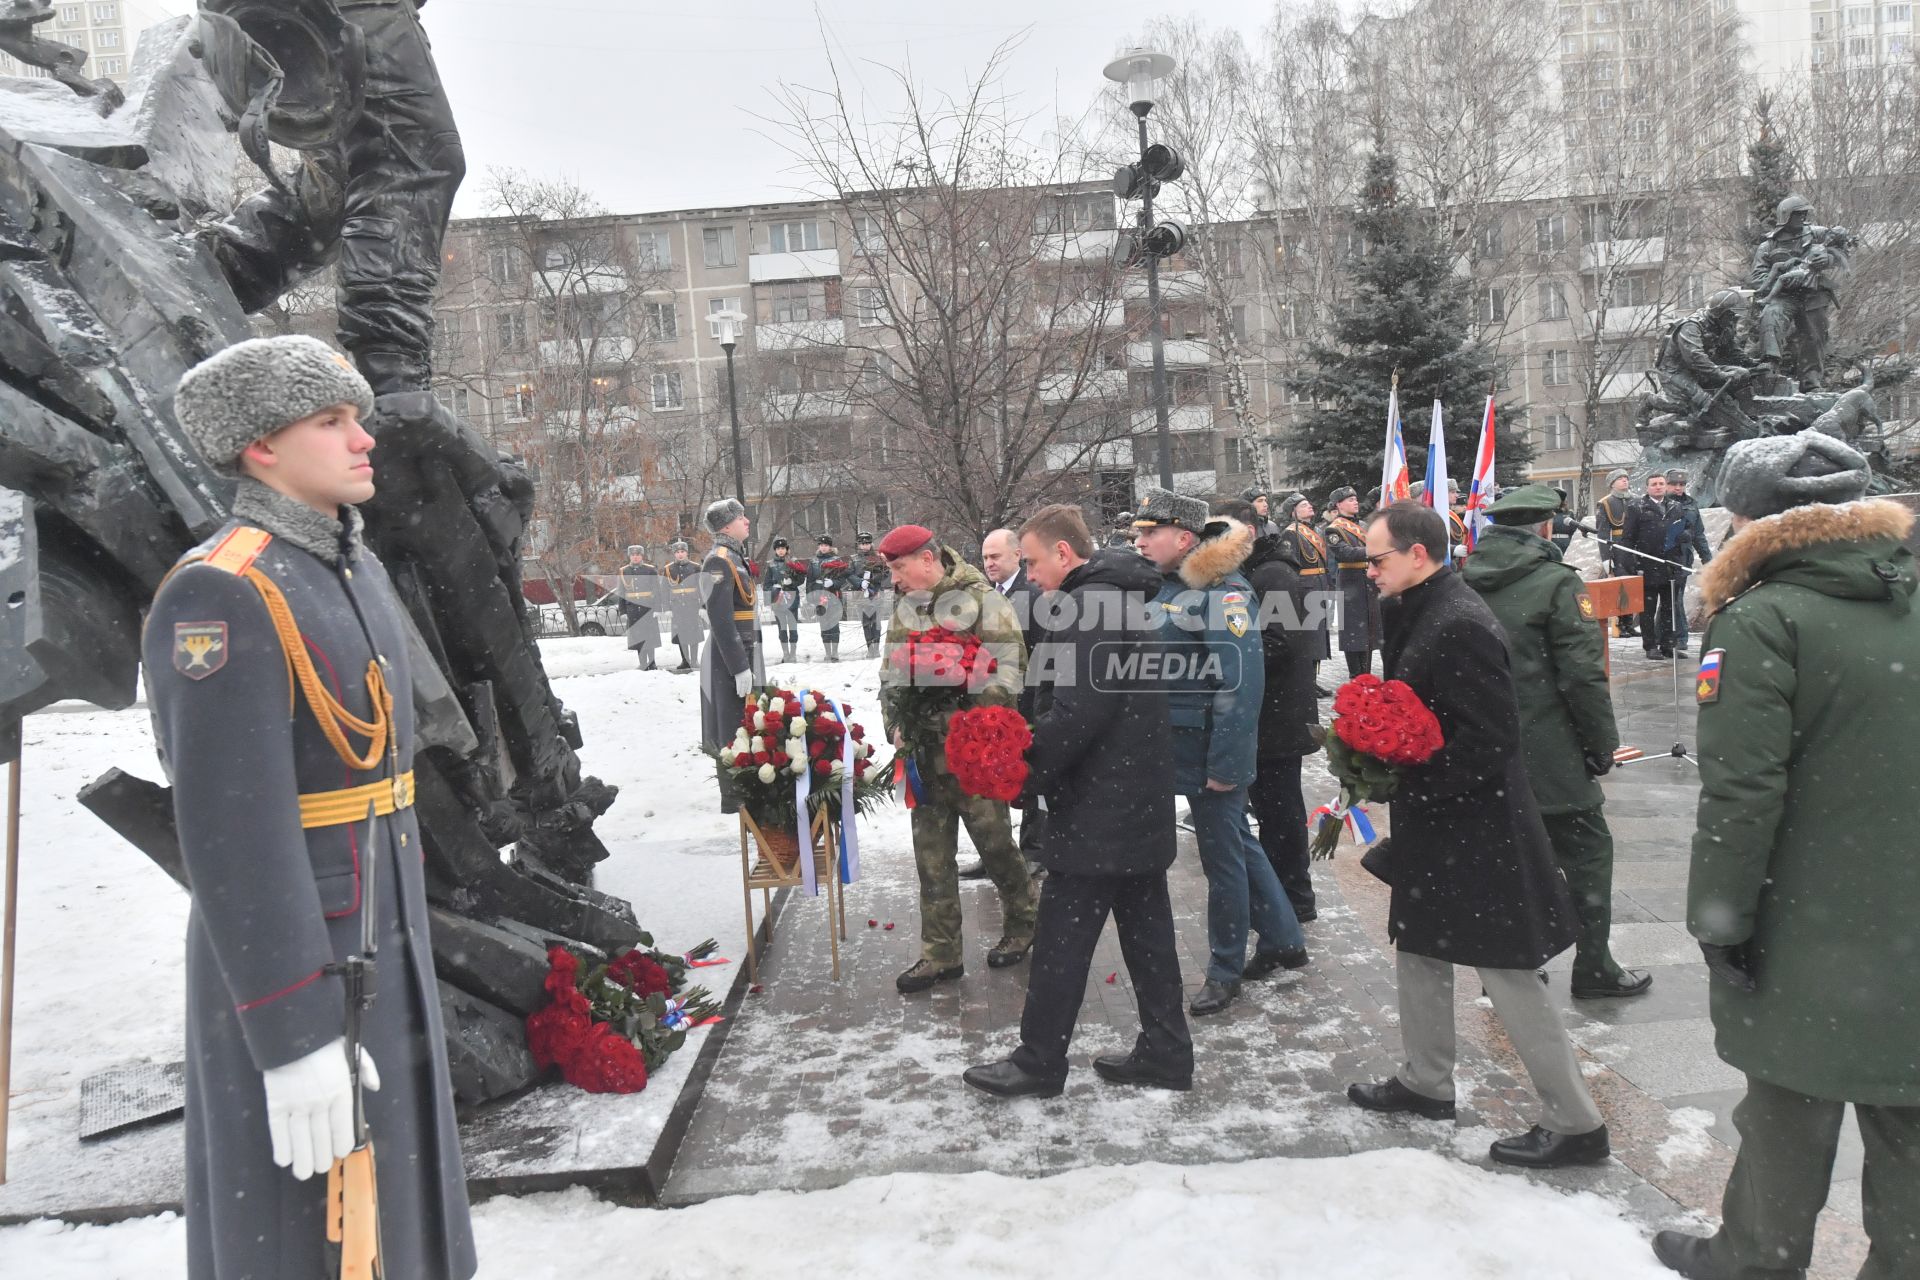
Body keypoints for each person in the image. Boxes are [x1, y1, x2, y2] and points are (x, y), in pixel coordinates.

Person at [147, 336, 475, 1280]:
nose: (363, 439)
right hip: (298, 956)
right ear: (261, 447)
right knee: (306, 1235)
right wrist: (291, 1037)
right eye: (331, 422)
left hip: (381, 934)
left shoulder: (346, 562)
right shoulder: (223, 589)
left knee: (398, 1215)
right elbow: (231, 830)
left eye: (357, 417)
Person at [1649, 431, 1919, 1279]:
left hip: (1812, 923)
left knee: (1789, 1104)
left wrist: (1719, 919)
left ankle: (1755, 1259)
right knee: (1910, 1117)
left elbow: (1742, 793)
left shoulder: (1761, 618)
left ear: (1750, 518)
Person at [1346, 501, 1608, 1170]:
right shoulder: (1420, 607)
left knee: (1511, 972)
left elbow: (1491, 741)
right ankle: (1426, 1081)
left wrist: (1408, 779)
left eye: (1376, 558)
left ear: (1417, 554)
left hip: (1480, 828)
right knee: (1420, 950)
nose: (1367, 570)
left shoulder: (1459, 622)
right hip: (1441, 824)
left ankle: (1576, 1123)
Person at [962, 505, 1192, 1098]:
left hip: (1099, 809)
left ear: (1064, 554)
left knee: (1061, 941)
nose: (1031, 574)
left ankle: (1039, 1062)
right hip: (1133, 800)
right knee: (1148, 937)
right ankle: (1166, 1051)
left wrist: (1023, 768)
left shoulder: (1090, 608)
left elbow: (1077, 713)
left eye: (1034, 561)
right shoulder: (1117, 597)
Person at [1463, 485, 1650, 1001]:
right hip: (1550, 754)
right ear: (1546, 528)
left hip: (1485, 755)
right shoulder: (1557, 585)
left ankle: (1511, 968)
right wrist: (1601, 745)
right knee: (1588, 852)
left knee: (1506, 856)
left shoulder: (1463, 583)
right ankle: (1594, 966)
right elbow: (1582, 677)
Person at [1134, 489, 1308, 1017]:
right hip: (1182, 747)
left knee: (1223, 861)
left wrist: (1228, 766)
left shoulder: (1225, 594)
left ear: (1183, 538)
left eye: (1149, 532)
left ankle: (1225, 968)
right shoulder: (1174, 586)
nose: (1139, 541)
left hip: (1211, 753)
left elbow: (1240, 685)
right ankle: (1284, 938)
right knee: (1235, 843)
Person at [876, 524, 1037, 993]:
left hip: (973, 751)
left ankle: (1024, 925)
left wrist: (975, 713)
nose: (895, 580)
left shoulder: (980, 599)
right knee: (931, 856)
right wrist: (895, 722)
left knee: (995, 844)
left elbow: (1012, 663)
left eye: (900, 568)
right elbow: (890, 671)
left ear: (928, 560)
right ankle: (940, 953)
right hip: (924, 754)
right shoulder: (906, 605)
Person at [1222, 499, 1321, 924]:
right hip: (1267, 715)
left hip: (1278, 718)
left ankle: (1297, 898)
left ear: (1248, 529)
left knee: (1281, 813)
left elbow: (1279, 643)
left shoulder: (1274, 574)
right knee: (1272, 809)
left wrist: (1226, 662)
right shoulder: (1259, 572)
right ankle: (1285, 894)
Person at [983, 526, 1046, 876]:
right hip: (995, 705)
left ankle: (1035, 850)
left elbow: (1041, 655)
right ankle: (999, 852)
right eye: (986, 558)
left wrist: (1034, 707)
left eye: (996, 556)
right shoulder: (986, 596)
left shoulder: (1033, 595)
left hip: (1027, 704)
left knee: (1032, 777)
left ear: (1016, 555)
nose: (990, 563)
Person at [699, 499, 763, 813]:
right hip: (730, 654)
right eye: (740, 517)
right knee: (731, 723)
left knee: (745, 719)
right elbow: (720, 619)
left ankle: (747, 786)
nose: (746, 521)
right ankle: (734, 795)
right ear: (726, 525)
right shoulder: (718, 561)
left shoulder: (735, 558)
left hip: (745, 646)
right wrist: (738, 666)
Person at [1321, 485, 1379, 680]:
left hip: (1369, 580)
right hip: (1350, 582)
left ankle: (1367, 675)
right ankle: (1356, 676)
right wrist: (1373, 551)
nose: (1355, 502)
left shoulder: (1363, 525)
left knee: (1369, 631)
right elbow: (1345, 553)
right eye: (1350, 500)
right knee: (1354, 633)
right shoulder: (1333, 529)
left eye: (1356, 499)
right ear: (1339, 504)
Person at [1279, 492, 1335, 696]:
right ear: (1293, 511)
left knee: (1320, 637)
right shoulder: (1290, 533)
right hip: (1306, 587)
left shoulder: (1315, 530)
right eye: (1303, 505)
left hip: (1319, 584)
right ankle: (1307, 682)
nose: (1310, 506)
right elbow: (1291, 564)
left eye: (1309, 503)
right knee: (1310, 637)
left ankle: (1314, 680)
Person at [1622, 472, 1682, 658]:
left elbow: (1681, 532)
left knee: (1669, 609)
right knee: (1647, 609)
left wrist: (1683, 538)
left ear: (1666, 486)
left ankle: (1668, 644)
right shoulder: (1637, 507)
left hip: (1670, 565)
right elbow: (1628, 538)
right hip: (1646, 565)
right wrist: (1632, 564)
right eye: (1654, 484)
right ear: (1647, 487)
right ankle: (1650, 646)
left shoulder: (1675, 507)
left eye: (1661, 483)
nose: (1658, 486)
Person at [1664, 469, 1714, 657]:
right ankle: (1673, 636)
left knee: (1674, 598)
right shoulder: (1662, 503)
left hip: (1683, 558)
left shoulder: (1691, 505)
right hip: (1663, 557)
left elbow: (1699, 534)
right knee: (1670, 599)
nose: (1678, 488)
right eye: (1674, 484)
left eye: (1681, 484)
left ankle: (1674, 636)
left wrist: (1707, 559)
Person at [1596, 469, 1639, 638]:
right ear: (1612, 483)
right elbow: (1603, 532)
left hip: (1635, 548)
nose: (1624, 481)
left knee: (1633, 587)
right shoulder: (1605, 503)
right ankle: (1619, 625)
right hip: (1619, 548)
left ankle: (1629, 624)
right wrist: (1606, 557)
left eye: (1626, 478)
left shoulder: (1636, 500)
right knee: (1621, 588)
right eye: (1620, 479)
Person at [805, 534, 852, 662]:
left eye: (826, 545)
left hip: (834, 596)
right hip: (819, 597)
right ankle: (827, 652)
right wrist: (811, 596)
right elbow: (809, 580)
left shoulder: (837, 560)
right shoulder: (814, 561)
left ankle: (835, 652)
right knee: (824, 625)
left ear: (830, 547)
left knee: (834, 624)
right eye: (821, 545)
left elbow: (843, 579)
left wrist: (833, 583)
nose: (823, 547)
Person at [616, 544, 663, 671]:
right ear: (629, 556)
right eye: (633, 555)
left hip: (648, 608)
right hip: (632, 609)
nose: (635, 557)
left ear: (642, 556)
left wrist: (658, 609)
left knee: (650, 636)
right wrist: (623, 611)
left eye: (638, 555)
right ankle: (643, 663)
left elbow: (657, 591)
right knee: (638, 637)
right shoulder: (624, 571)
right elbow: (621, 593)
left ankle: (652, 663)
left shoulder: (650, 570)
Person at [761, 537, 805, 664]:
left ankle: (793, 653)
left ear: (787, 549)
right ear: (775, 550)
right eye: (778, 549)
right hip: (778, 598)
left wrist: (792, 582)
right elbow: (766, 584)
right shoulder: (771, 564)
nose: (781, 551)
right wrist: (772, 594)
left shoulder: (793, 562)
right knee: (782, 627)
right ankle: (785, 653)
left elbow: (801, 579)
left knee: (792, 626)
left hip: (791, 597)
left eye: (783, 548)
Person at [664, 539, 704, 672]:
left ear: (687, 553)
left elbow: (701, 588)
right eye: (677, 552)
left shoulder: (695, 567)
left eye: (682, 551)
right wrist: (667, 608)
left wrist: (703, 606)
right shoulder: (669, 569)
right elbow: (664, 589)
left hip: (692, 605)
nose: (680, 554)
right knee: (681, 634)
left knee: (693, 633)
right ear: (674, 554)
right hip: (677, 607)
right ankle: (685, 660)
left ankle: (694, 660)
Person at [852, 531, 887, 658]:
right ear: (859, 544)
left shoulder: (879, 557)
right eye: (862, 543)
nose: (865, 546)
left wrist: (872, 578)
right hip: (861, 593)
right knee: (866, 623)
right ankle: (869, 648)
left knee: (876, 622)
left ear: (871, 544)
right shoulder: (854, 559)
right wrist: (860, 582)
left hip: (876, 592)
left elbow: (886, 573)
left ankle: (876, 648)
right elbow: (849, 574)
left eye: (867, 543)